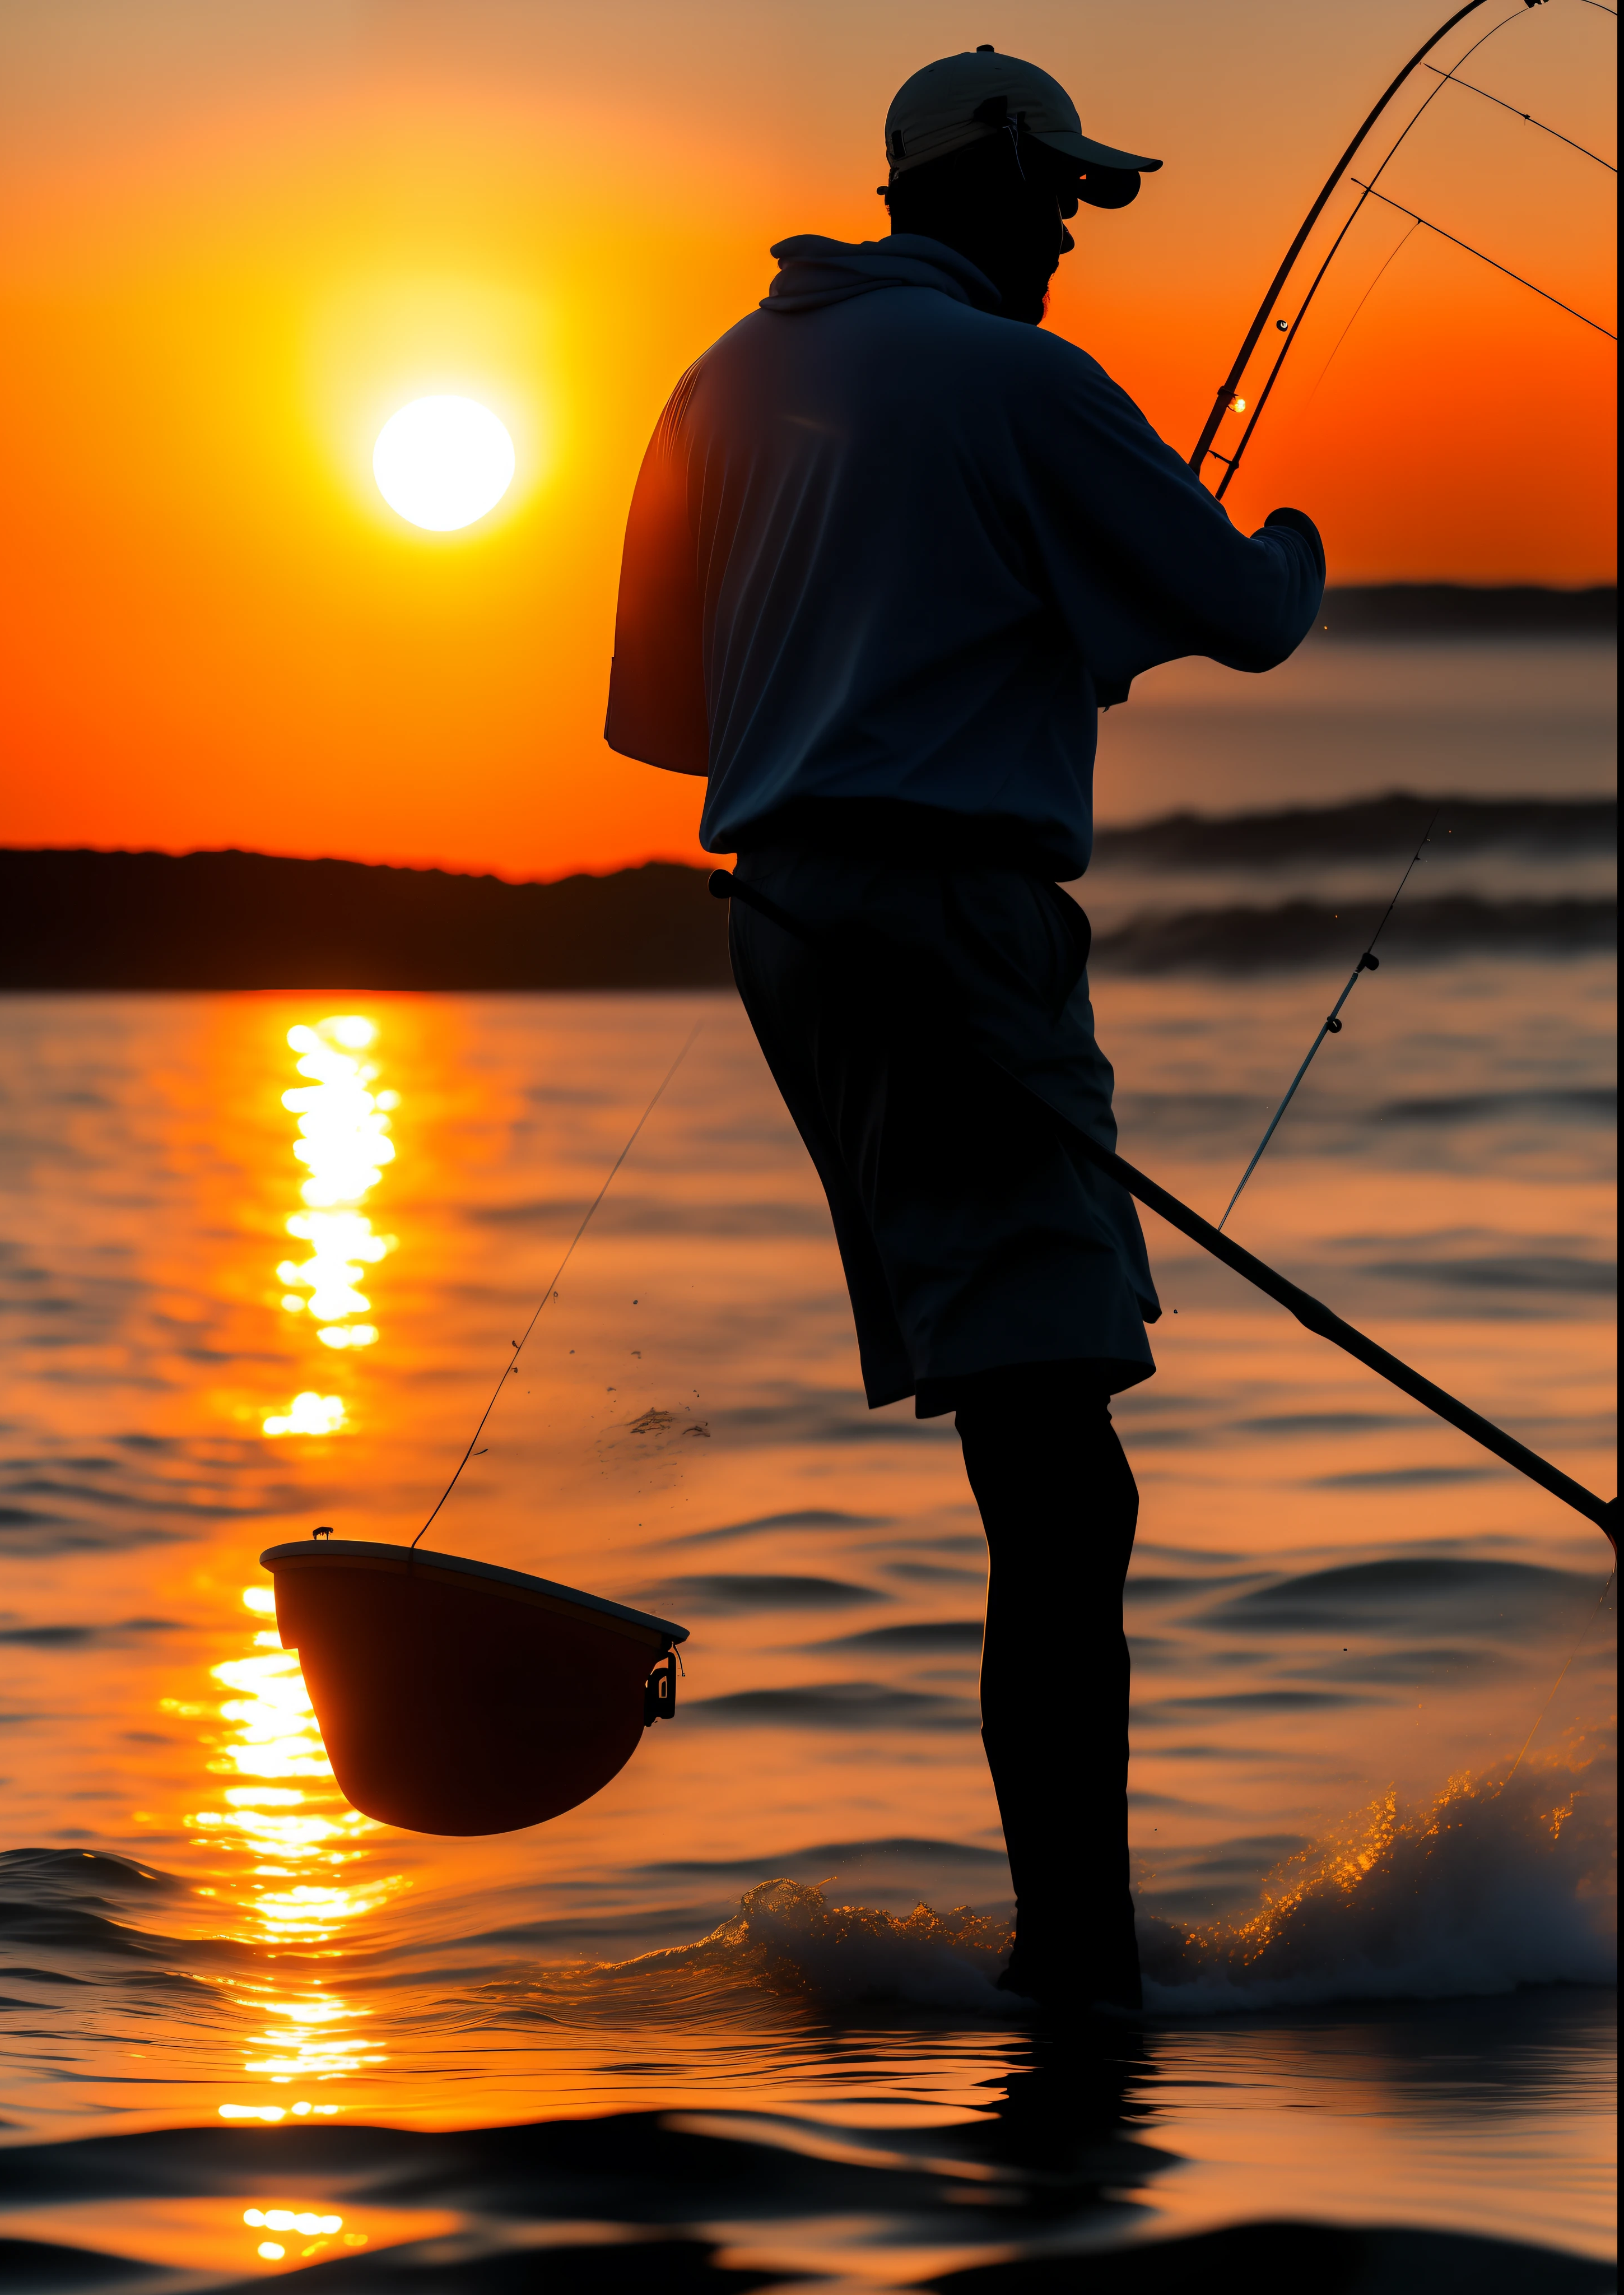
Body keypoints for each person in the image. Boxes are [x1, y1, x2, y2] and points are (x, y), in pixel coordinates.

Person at [604, 46, 1324, 2014]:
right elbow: (1245, 616)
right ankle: (1076, 1972)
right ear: (990, 176)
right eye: (1065, 199)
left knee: (1035, 1451)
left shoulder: (721, 385)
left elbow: (662, 720)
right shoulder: (1019, 379)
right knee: (1062, 1479)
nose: (1077, 238)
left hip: (794, 935)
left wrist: (928, 626)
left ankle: (1067, 1950)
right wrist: (1290, 544)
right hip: (950, 930)